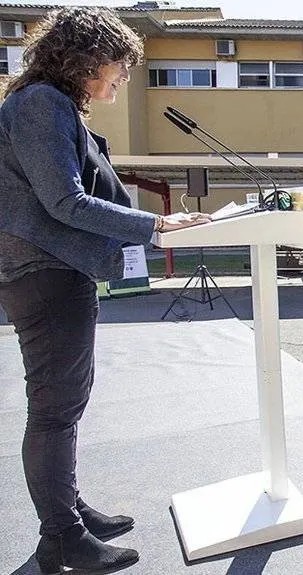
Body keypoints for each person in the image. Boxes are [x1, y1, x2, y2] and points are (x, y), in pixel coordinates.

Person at [0, 7, 212, 572]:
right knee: (54, 410)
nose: (122, 80)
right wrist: (156, 224)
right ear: (90, 59)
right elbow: (64, 201)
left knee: (63, 406)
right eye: (119, 68)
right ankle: (61, 539)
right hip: (42, 273)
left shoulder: (48, 103)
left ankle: (67, 512)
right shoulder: (42, 103)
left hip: (51, 270)